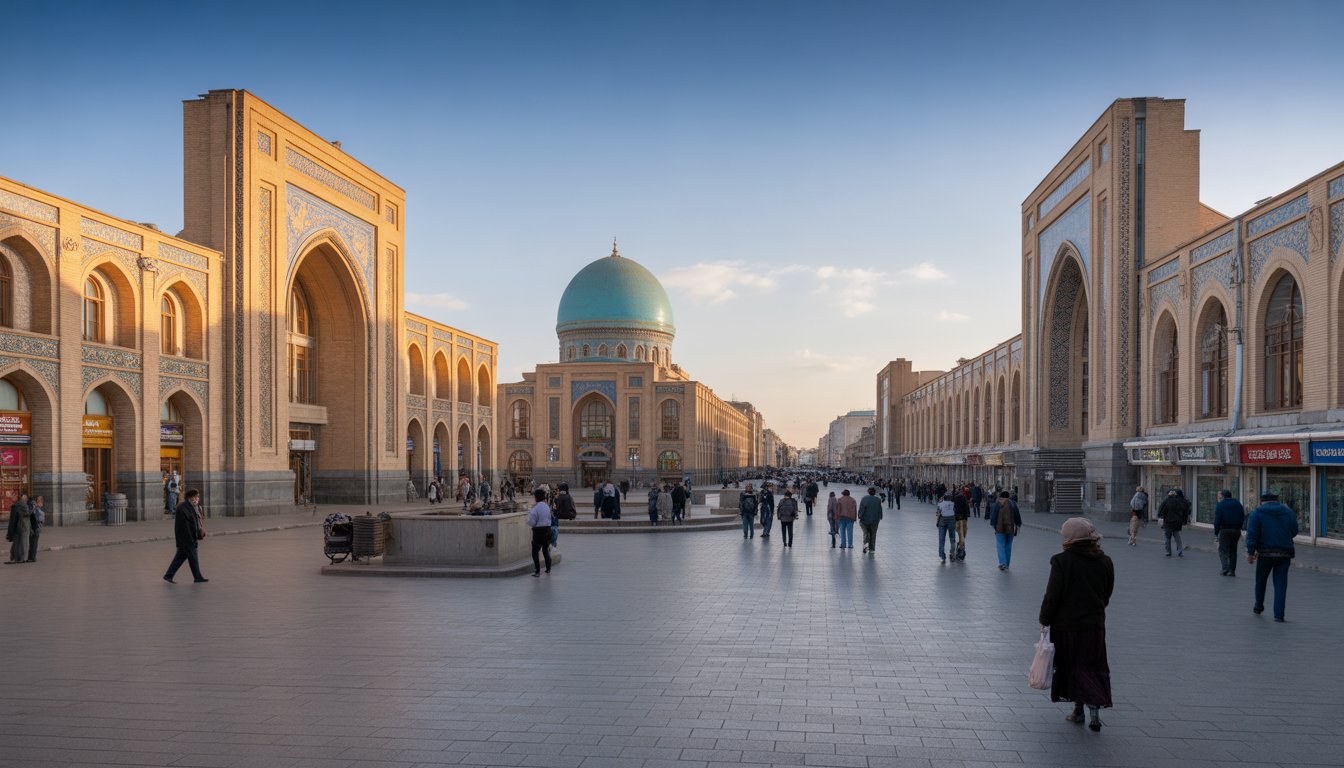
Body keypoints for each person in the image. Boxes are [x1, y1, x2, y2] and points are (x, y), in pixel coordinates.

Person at [1039, 518, 1114, 732]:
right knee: (1092, 665)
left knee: (1073, 666)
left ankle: (1078, 709)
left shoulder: (1061, 561)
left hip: (1067, 625)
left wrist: (1045, 619)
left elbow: (1052, 596)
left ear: (1069, 538)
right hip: (1094, 624)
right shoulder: (1105, 560)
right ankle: (1094, 713)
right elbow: (1107, 593)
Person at [1246, 491, 1298, 622]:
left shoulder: (1257, 513)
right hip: (1284, 553)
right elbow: (1294, 530)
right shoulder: (1288, 512)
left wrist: (1251, 552)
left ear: (1262, 501)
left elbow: (1252, 534)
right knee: (1281, 584)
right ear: (1277, 500)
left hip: (1265, 553)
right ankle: (1279, 615)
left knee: (1261, 580)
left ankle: (1258, 605)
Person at [162, 489, 208, 583]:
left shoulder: (194, 507)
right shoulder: (183, 508)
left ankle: (168, 575)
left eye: (198, 497)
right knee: (192, 558)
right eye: (195, 497)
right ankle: (197, 577)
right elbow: (184, 527)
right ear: (190, 497)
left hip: (189, 539)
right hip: (186, 539)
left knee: (181, 558)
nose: (197, 499)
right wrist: (191, 539)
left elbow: (196, 522)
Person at [1212, 490, 1246, 577]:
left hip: (1225, 530)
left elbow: (1217, 519)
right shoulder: (1238, 504)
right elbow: (1243, 516)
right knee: (1233, 551)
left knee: (1223, 550)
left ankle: (1225, 569)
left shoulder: (1221, 505)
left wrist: (1216, 532)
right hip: (1236, 530)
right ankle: (1232, 571)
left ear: (1223, 496)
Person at [989, 490, 1021, 570]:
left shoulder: (998, 503)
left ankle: (1003, 563)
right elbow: (1017, 515)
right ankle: (1007, 563)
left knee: (1000, 545)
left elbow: (994, 515)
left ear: (1001, 496)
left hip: (1000, 528)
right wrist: (1018, 524)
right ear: (1008, 496)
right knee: (1008, 545)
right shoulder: (1013, 503)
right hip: (1010, 528)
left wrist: (993, 524)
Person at [526, 488, 552, 577]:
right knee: (545, 549)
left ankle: (537, 571)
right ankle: (548, 568)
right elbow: (549, 519)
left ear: (536, 497)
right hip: (548, 530)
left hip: (538, 531)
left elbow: (531, 522)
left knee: (535, 551)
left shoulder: (535, 508)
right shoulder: (547, 507)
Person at [1157, 488, 1190, 557]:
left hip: (1168, 522)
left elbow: (1161, 511)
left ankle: (1168, 552)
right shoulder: (1179, 501)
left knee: (1167, 537)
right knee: (1177, 536)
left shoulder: (1166, 501)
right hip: (1177, 521)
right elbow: (1185, 508)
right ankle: (1180, 552)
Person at [6, 492, 31, 564]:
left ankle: (17, 559)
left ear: (17, 497)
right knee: (18, 543)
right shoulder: (19, 505)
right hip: (20, 526)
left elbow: (15, 518)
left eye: (13, 497)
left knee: (18, 543)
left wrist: (11, 530)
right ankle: (17, 558)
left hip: (18, 527)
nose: (11, 498)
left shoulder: (18, 505)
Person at [858, 486, 883, 554]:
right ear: (874, 492)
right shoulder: (878, 500)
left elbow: (862, 509)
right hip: (874, 520)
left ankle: (865, 546)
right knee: (873, 534)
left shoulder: (864, 499)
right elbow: (880, 509)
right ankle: (872, 549)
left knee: (866, 534)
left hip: (865, 520)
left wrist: (860, 516)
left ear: (868, 492)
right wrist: (880, 517)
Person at [935, 493, 957, 563]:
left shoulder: (940, 504)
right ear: (950, 498)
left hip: (942, 522)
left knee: (941, 539)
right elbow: (955, 513)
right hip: (951, 521)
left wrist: (937, 522)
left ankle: (942, 556)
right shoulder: (953, 504)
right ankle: (952, 554)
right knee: (952, 539)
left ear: (944, 498)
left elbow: (938, 514)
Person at [26, 495, 44, 563]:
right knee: (33, 543)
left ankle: (32, 557)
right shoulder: (34, 507)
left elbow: (40, 518)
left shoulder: (36, 508)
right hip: (34, 527)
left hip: (35, 527)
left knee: (33, 543)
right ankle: (31, 557)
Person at [952, 490, 970, 555]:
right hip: (963, 519)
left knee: (959, 533)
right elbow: (967, 510)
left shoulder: (955, 500)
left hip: (957, 519)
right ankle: (961, 545)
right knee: (962, 534)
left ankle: (960, 545)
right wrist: (966, 517)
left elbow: (954, 510)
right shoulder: (964, 500)